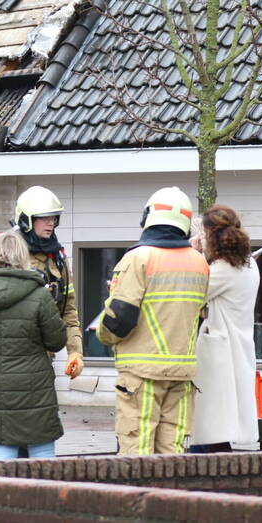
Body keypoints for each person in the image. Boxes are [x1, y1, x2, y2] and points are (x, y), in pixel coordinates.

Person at [0, 185, 83, 459]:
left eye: (54, 218)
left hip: (36, 366)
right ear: (26, 218)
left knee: (28, 439)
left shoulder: (57, 258)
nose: (52, 223)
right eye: (45, 218)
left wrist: (76, 351)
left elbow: (68, 311)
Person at [96, 186, 209, 455]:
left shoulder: (138, 258)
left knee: (137, 455)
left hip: (141, 374)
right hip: (182, 374)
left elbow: (118, 320)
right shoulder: (199, 262)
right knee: (172, 456)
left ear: (148, 216)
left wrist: (102, 336)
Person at [189, 204, 260, 452]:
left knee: (209, 425)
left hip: (219, 352)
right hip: (238, 346)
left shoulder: (221, 271)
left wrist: (194, 253)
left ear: (211, 236)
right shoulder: (250, 265)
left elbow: (190, 293)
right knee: (222, 422)